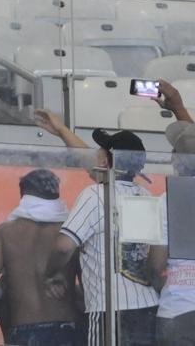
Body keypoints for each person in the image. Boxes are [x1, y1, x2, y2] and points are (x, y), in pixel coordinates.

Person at [36, 111, 159, 346]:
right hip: (148, 308)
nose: (96, 155)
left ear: (105, 161)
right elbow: (98, 170)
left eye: (100, 152)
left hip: (109, 311)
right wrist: (62, 131)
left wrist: (51, 275)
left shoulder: (95, 195)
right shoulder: (147, 197)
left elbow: (63, 248)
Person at [0, 168, 81, 346]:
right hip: (67, 330)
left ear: (23, 196)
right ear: (56, 194)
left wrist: (8, 287)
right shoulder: (70, 234)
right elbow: (88, 294)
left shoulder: (5, 233)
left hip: (24, 333)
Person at [148, 80, 195, 346]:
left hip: (177, 308)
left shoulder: (169, 199)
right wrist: (177, 105)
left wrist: (156, 283)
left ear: (177, 160)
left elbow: (156, 263)